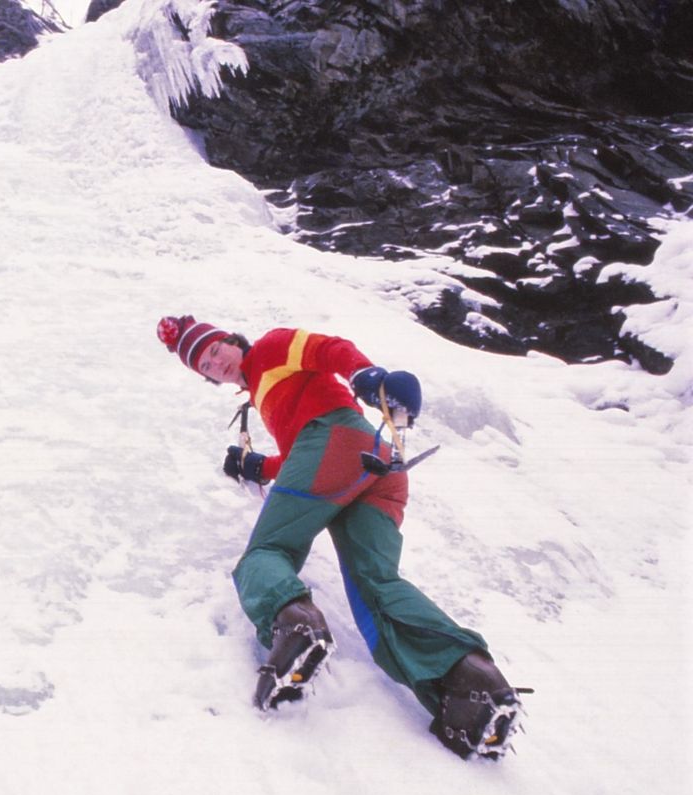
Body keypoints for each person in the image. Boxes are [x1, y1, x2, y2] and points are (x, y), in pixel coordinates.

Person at [156, 314, 523, 760]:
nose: (216, 364)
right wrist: (258, 467)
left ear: (232, 340)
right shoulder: (267, 390)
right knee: (377, 586)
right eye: (205, 367)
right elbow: (300, 456)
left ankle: (295, 628)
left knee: (268, 552)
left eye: (215, 351)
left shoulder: (271, 349)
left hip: (338, 446)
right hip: (375, 465)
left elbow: (326, 349)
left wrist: (365, 374)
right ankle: (470, 686)